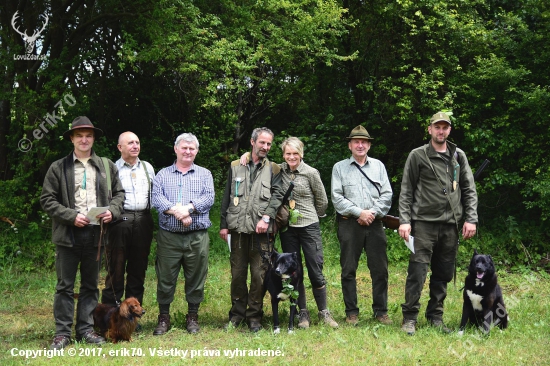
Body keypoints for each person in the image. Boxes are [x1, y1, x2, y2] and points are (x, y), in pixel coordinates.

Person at [40, 116, 125, 349]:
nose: (84, 139)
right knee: (64, 286)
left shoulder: (107, 165)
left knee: (90, 285)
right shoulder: (58, 167)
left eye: (88, 135)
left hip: (96, 236)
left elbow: (119, 195)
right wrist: (70, 216)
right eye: (79, 135)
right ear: (72, 139)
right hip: (68, 234)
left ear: (94, 138)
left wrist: (112, 212)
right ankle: (62, 333)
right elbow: (46, 199)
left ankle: (85, 330)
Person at [239, 137, 338, 328]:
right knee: (294, 271)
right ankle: (302, 313)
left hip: (309, 226)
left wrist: (310, 217)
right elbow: (259, 160)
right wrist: (245, 155)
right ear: (283, 155)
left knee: (315, 268)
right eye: (288, 153)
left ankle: (324, 313)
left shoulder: (311, 173)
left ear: (301, 154)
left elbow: (323, 201)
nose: (291, 157)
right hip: (287, 229)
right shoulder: (279, 170)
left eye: (295, 153)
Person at [398, 111, 478, 335]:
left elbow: (469, 190)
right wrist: (405, 221)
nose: (441, 131)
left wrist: (471, 218)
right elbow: (406, 191)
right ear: (430, 129)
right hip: (423, 224)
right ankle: (410, 318)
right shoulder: (418, 155)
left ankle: (435, 316)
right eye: (437, 127)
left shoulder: (458, 156)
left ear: (449, 130)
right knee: (417, 272)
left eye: (445, 127)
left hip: (450, 225)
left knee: (443, 273)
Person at [219, 127, 284, 332]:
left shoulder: (274, 169)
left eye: (269, 144)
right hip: (238, 230)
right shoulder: (236, 165)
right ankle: (236, 314)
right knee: (237, 275)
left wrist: (267, 218)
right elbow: (227, 196)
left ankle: (254, 316)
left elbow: (277, 197)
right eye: (262, 143)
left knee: (259, 275)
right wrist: (223, 225)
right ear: (252, 142)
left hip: (261, 233)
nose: (265, 147)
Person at [151, 133, 214, 335]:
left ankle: (192, 316)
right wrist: (177, 211)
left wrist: (189, 209)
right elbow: (156, 199)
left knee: (196, 277)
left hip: (197, 236)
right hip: (169, 236)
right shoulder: (162, 174)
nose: (188, 151)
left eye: (192, 148)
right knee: (165, 277)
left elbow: (209, 198)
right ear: (176, 149)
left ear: (196, 151)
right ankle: (163, 317)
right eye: (184, 148)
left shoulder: (205, 174)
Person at [331, 125, 393, 326]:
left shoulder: (379, 166)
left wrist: (371, 213)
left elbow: (387, 194)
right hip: (350, 224)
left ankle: (381, 311)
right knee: (348, 269)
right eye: (356, 141)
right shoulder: (339, 168)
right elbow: (337, 198)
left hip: (375, 224)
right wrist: (360, 213)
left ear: (369, 145)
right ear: (349, 145)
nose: (360, 145)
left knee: (380, 269)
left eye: (364, 142)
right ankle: (351, 312)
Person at [101, 132, 155, 315]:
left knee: (138, 269)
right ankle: (111, 312)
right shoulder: (111, 169)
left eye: (137, 142)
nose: (135, 146)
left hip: (143, 220)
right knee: (115, 268)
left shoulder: (148, 168)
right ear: (120, 147)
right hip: (118, 222)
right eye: (130, 142)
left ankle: (133, 314)